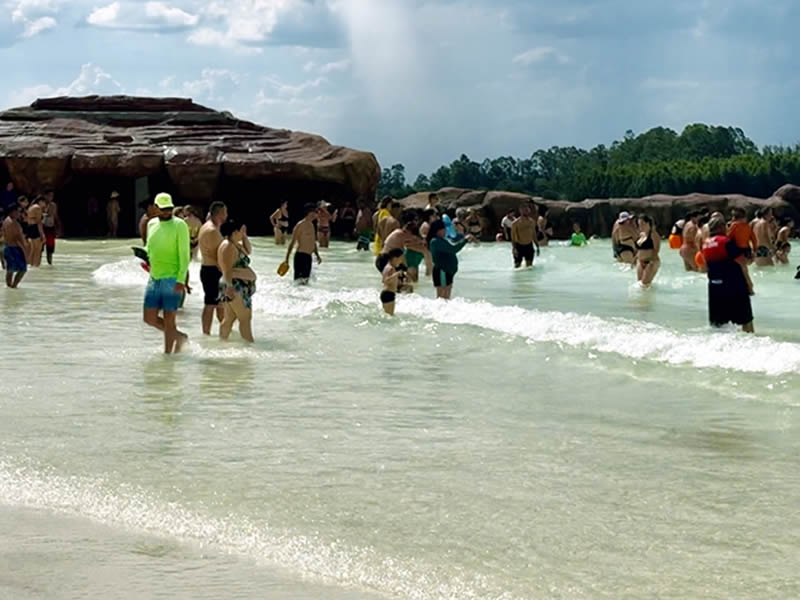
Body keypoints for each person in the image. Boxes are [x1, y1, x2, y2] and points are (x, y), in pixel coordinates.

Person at [142, 193, 190, 354]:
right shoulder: (151, 224)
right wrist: (144, 257)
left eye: (169, 209)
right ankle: (180, 337)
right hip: (154, 277)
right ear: (155, 208)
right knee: (149, 318)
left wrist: (181, 280)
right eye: (163, 209)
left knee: (170, 320)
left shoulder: (180, 225)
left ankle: (168, 357)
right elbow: (149, 247)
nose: (167, 212)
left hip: (172, 278)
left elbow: (185, 254)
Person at [702, 216, 754, 332]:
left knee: (719, 325)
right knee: (746, 320)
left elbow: (705, 268)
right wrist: (749, 284)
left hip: (714, 288)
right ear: (721, 227)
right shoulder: (725, 241)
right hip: (734, 286)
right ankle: (751, 345)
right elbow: (742, 263)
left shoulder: (705, 244)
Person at [218, 220, 257, 343]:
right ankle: (249, 346)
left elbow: (248, 251)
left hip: (235, 285)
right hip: (234, 286)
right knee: (245, 318)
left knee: (229, 318)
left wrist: (244, 236)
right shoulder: (228, 247)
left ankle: (222, 343)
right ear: (235, 232)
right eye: (241, 231)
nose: (242, 233)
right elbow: (227, 269)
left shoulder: (234, 244)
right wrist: (229, 288)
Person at [198, 201, 228, 335]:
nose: (226, 215)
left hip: (208, 269)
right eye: (225, 212)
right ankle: (206, 333)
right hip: (212, 271)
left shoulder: (208, 227)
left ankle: (224, 329)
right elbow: (219, 257)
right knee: (211, 303)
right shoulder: (212, 231)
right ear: (220, 213)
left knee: (219, 304)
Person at [379, 210, 430, 283]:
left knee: (400, 280)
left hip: (386, 257)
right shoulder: (401, 234)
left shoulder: (400, 232)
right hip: (385, 258)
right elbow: (415, 241)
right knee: (394, 281)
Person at [427, 219, 472, 299]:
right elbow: (453, 249)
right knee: (442, 297)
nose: (445, 231)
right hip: (442, 271)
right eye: (443, 229)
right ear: (438, 230)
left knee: (446, 297)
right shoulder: (435, 241)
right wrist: (465, 240)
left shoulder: (441, 240)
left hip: (447, 271)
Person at [286, 203, 321, 284]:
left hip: (308, 257)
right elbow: (292, 242)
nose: (317, 214)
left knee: (306, 282)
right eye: (316, 212)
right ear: (310, 212)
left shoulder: (312, 225)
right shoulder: (300, 225)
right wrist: (287, 259)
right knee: (298, 282)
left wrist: (317, 254)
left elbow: (313, 242)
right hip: (300, 256)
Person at [727, 207, 757, 294]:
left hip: (737, 251)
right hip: (747, 250)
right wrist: (754, 251)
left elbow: (728, 238)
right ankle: (748, 289)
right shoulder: (748, 226)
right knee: (744, 270)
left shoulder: (734, 225)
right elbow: (754, 239)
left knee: (740, 271)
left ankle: (749, 289)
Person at [2, 205, 28, 288]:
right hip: (14, 248)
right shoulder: (13, 223)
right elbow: (17, 239)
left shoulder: (6, 221)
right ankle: (14, 286)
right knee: (22, 269)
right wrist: (25, 251)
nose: (19, 214)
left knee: (10, 269)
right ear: (12, 212)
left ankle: (9, 287)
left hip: (8, 247)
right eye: (17, 212)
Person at [635, 215, 661, 287]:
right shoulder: (641, 235)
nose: (640, 226)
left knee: (644, 285)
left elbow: (656, 249)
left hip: (651, 262)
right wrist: (635, 259)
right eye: (639, 224)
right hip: (640, 261)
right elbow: (639, 250)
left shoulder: (653, 234)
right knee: (639, 284)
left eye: (642, 224)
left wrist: (651, 262)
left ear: (648, 223)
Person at [511, 203, 538, 268]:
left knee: (529, 267)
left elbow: (534, 234)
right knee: (517, 266)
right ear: (520, 211)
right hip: (519, 246)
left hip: (529, 246)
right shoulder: (515, 223)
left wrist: (537, 246)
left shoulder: (532, 222)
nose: (526, 211)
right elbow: (513, 237)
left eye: (527, 210)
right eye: (524, 210)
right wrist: (514, 248)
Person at [380, 248, 405, 316]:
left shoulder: (388, 267)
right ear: (395, 258)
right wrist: (396, 274)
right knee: (389, 316)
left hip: (388, 293)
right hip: (388, 294)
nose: (402, 261)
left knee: (388, 316)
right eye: (401, 258)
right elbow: (385, 280)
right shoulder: (390, 268)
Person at [25, 196, 45, 267]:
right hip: (35, 228)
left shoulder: (31, 207)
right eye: (44, 202)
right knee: (38, 250)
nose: (44, 204)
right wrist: (42, 234)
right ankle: (36, 266)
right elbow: (39, 222)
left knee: (32, 249)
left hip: (30, 227)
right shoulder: (38, 208)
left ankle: (30, 265)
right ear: (40, 201)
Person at [41, 191, 59, 265]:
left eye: (52, 196)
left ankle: (50, 263)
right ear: (45, 196)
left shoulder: (53, 205)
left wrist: (58, 227)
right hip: (43, 227)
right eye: (49, 196)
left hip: (51, 227)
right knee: (40, 248)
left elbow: (55, 216)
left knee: (50, 248)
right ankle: (37, 264)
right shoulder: (41, 205)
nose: (51, 197)